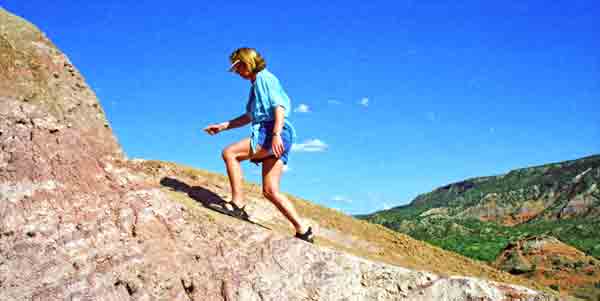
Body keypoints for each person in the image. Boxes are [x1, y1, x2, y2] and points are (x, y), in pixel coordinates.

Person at [203, 47, 314, 243]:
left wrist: (276, 134)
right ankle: (303, 229)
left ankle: (237, 204)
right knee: (270, 191)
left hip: (272, 131)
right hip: (276, 133)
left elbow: (278, 106)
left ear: (247, 63)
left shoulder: (264, 78)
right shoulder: (257, 84)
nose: (236, 72)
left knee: (230, 153)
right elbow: (249, 116)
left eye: (237, 67)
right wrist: (222, 126)